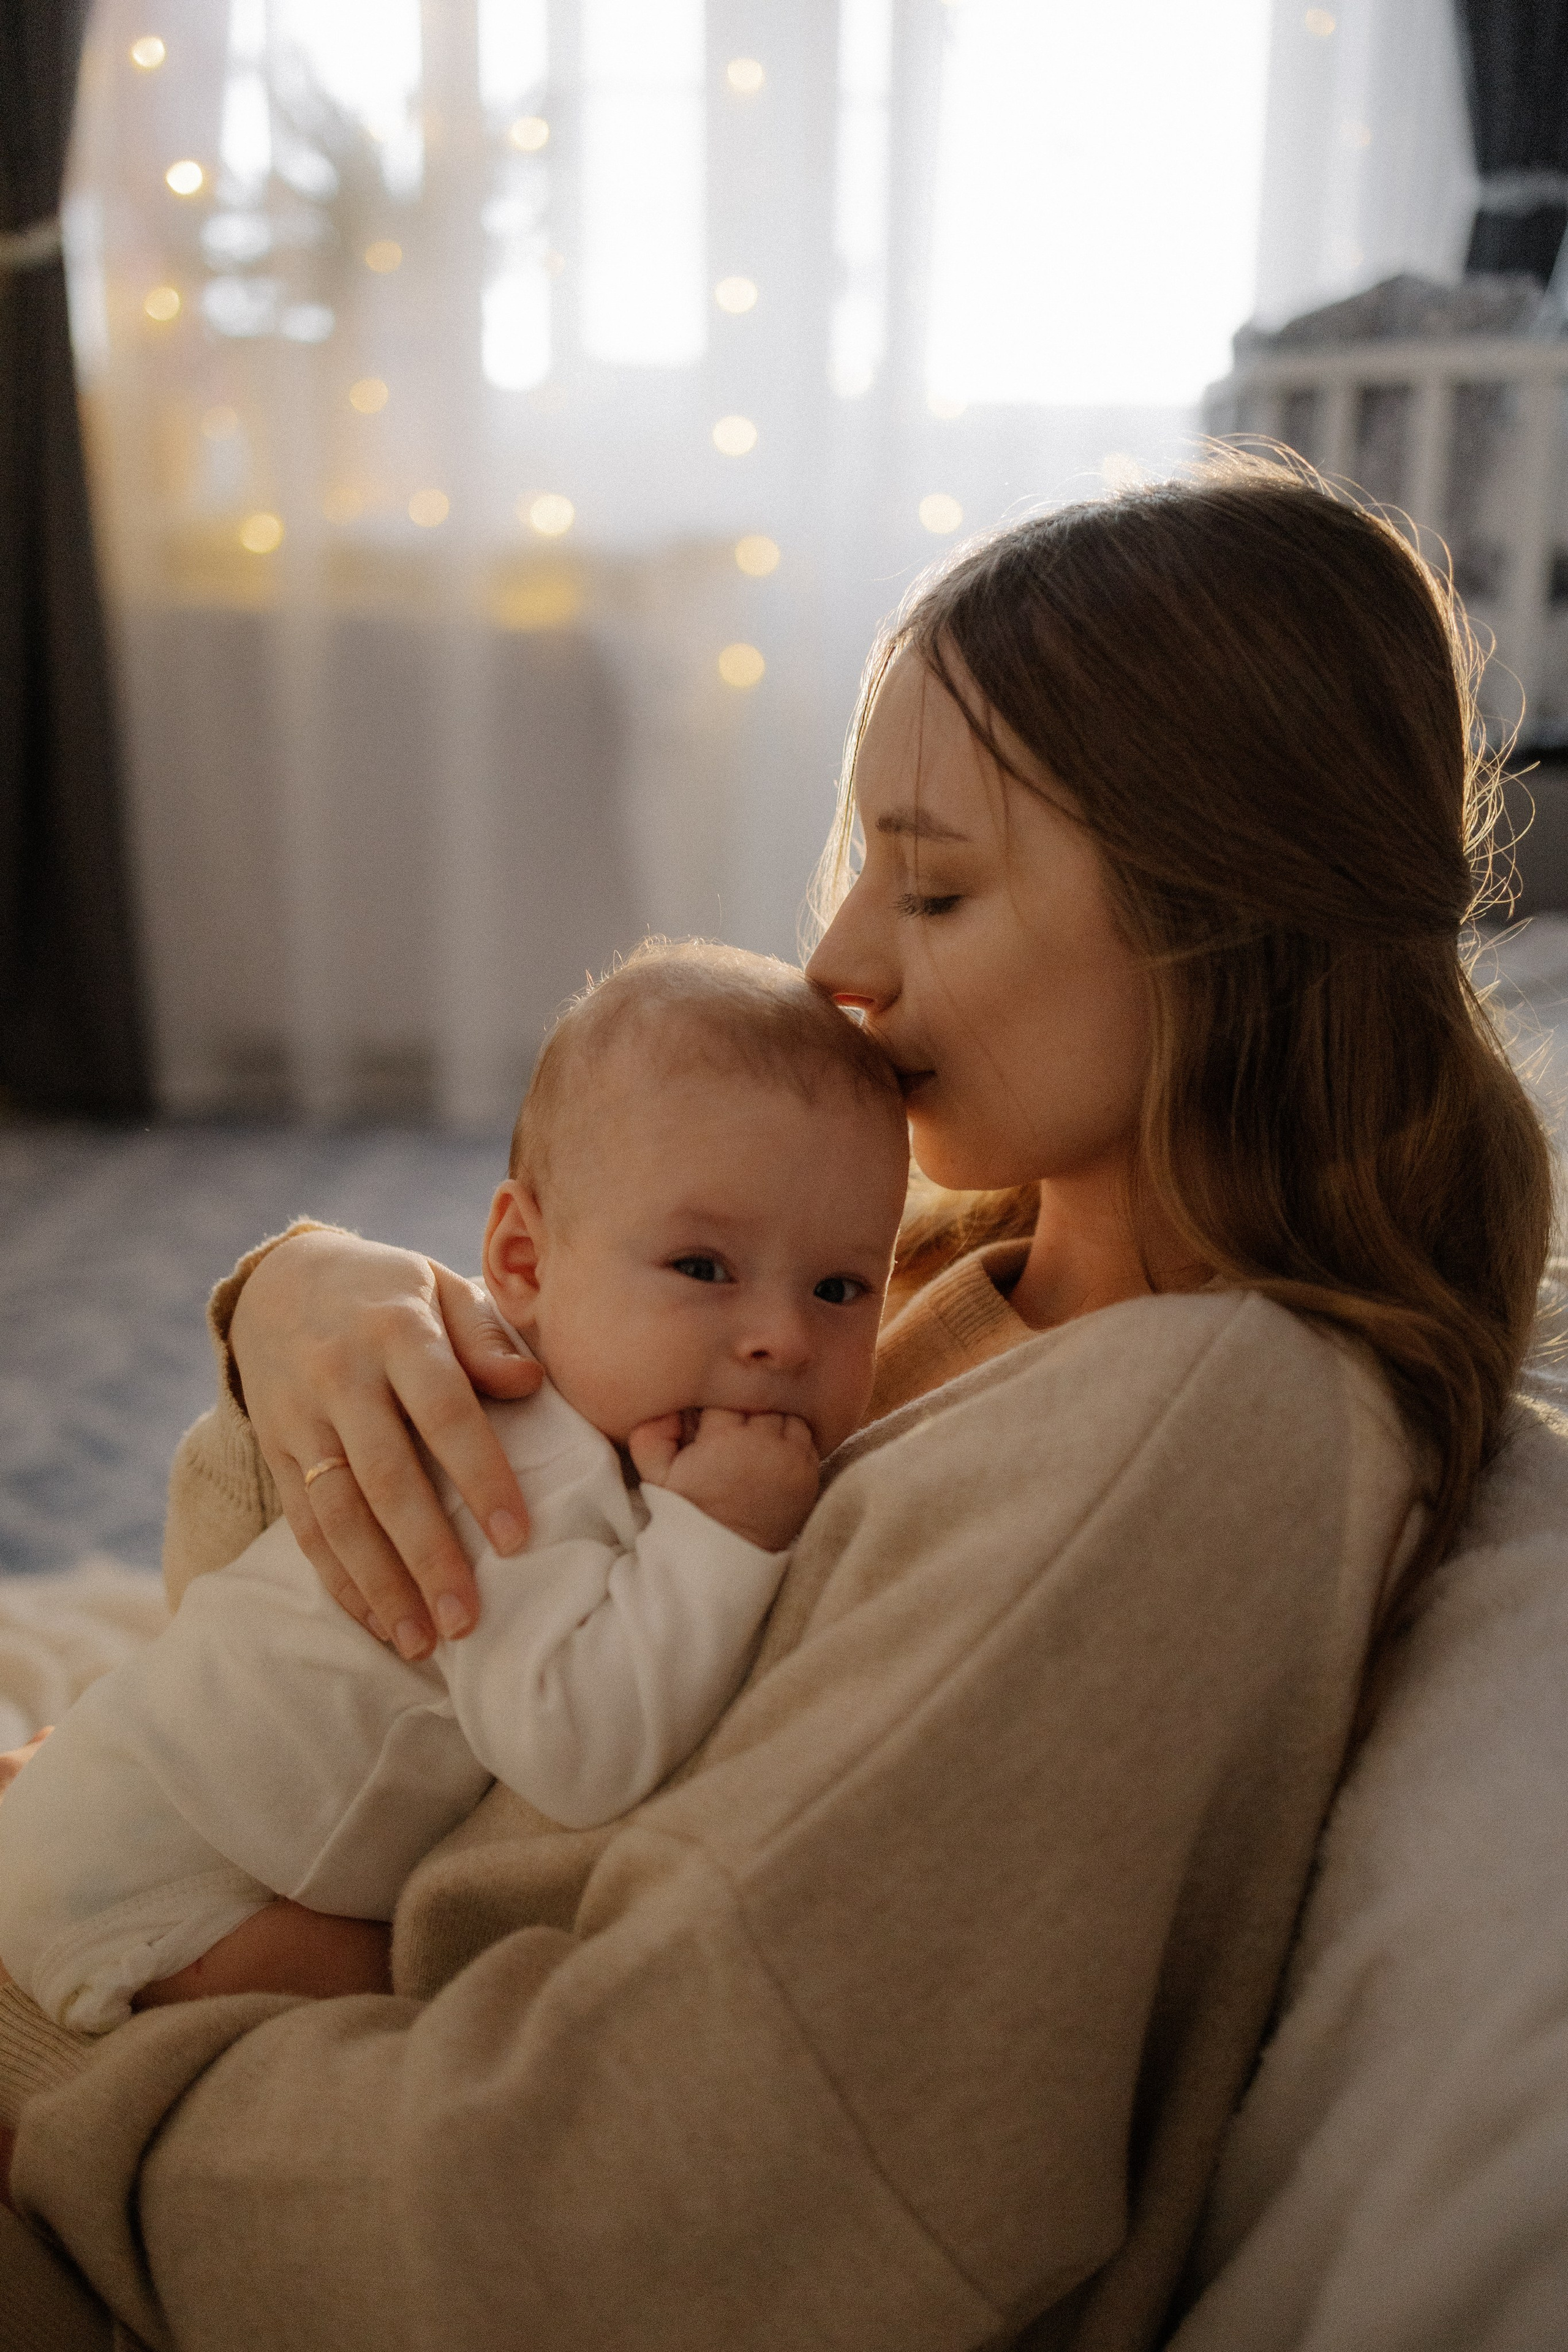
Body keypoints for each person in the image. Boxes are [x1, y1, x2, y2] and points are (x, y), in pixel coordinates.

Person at [0, 458, 1551, 2352]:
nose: (838, 962)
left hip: (233, 2136)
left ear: (1214, 921)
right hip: (210, 1936)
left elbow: (659, 2208)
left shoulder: (1196, 1426)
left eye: (942, 885)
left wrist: (82, 2081)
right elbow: (416, 1607)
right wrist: (303, 1303)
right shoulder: (942, 1278)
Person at [0, 945, 908, 2032]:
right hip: (155, 1873)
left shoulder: (598, 1409)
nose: (782, 1338)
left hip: (147, 1807)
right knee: (410, 2014)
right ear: (522, 1265)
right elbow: (577, 1754)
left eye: (842, 1287)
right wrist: (718, 1536)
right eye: (704, 1268)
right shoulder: (515, 1464)